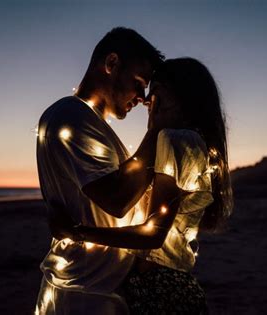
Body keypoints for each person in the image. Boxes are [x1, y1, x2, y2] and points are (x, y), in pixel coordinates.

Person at [60, 58, 234, 314]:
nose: (148, 104)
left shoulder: (176, 140)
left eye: (156, 96)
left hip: (161, 289)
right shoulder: (193, 142)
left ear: (180, 96)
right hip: (172, 285)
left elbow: (153, 234)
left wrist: (77, 232)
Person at [34, 27, 164, 314]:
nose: (142, 98)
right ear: (112, 64)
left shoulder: (85, 120)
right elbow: (117, 199)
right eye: (139, 83)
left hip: (94, 286)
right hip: (86, 292)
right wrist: (157, 129)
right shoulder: (72, 116)